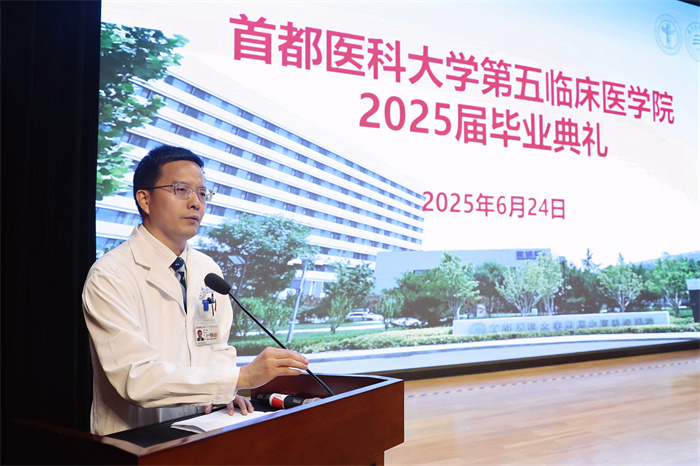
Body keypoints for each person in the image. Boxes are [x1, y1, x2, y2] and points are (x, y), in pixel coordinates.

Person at [82, 145, 308, 435]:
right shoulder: (110, 274)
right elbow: (135, 378)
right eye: (182, 190)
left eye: (202, 193)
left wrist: (223, 393)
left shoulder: (208, 270)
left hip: (201, 431)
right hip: (135, 438)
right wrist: (239, 378)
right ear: (145, 199)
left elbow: (216, 348)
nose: (196, 203)